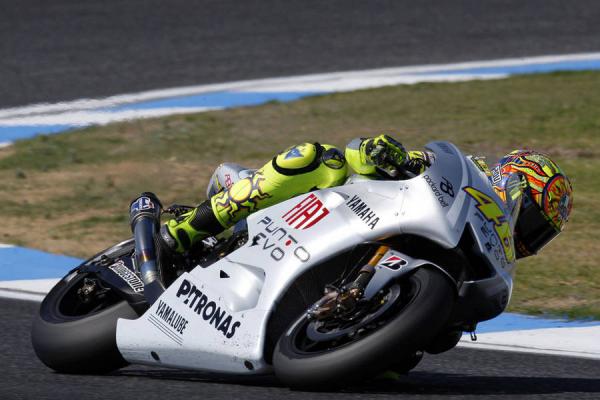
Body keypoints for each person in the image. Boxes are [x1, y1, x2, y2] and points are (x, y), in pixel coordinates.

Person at [156, 134, 573, 261]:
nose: (529, 238)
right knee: (318, 158)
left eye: (541, 235)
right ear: (511, 185)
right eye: (533, 222)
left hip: (350, 254)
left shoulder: (487, 259)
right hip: (340, 210)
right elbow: (362, 154)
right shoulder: (461, 175)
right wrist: (386, 153)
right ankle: (185, 231)